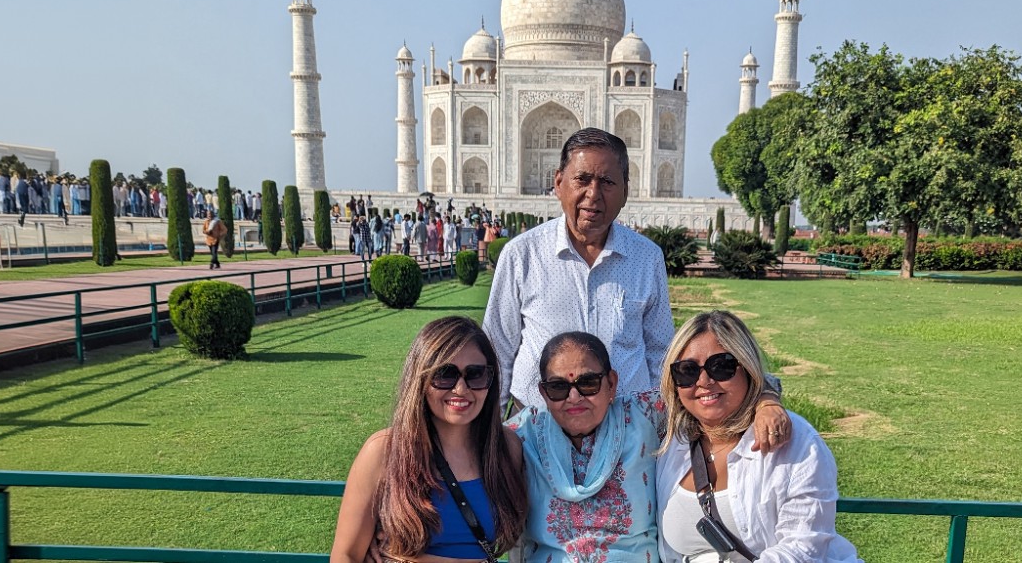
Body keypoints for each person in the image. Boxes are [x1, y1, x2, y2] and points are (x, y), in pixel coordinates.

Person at [509, 331, 791, 563]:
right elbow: (475, 433)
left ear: (611, 384)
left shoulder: (643, 414)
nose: (574, 397)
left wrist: (767, 402)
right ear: (544, 393)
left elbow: (721, 388)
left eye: (588, 383)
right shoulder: (527, 432)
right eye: (558, 388)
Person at [484, 127, 674, 412]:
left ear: (625, 191)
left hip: (625, 430)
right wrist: (492, 436)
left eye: (607, 181)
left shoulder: (646, 258)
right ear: (559, 183)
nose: (593, 194)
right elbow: (497, 350)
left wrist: (658, 425)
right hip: (537, 430)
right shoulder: (523, 254)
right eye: (582, 179)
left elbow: (661, 353)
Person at [656, 311, 862, 563]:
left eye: (721, 367)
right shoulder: (669, 439)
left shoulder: (795, 443)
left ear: (747, 368)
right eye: (687, 371)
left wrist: (767, 399)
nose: (704, 381)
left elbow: (803, 548)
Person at [331, 316, 527, 563]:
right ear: (420, 379)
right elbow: (345, 555)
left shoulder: (507, 448)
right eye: (445, 374)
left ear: (491, 380)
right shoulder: (383, 451)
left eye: (475, 374)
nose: (461, 389)